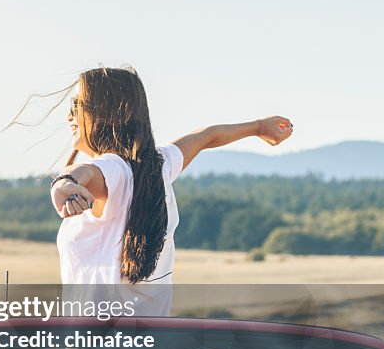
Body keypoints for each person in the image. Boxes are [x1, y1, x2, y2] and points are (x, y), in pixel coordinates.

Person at [49, 66, 292, 315]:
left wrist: (63, 184)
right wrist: (260, 126)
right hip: (151, 346)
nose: (70, 116)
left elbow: (84, 173)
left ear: (104, 113)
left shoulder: (110, 169)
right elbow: (207, 136)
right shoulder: (157, 165)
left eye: (76, 105)